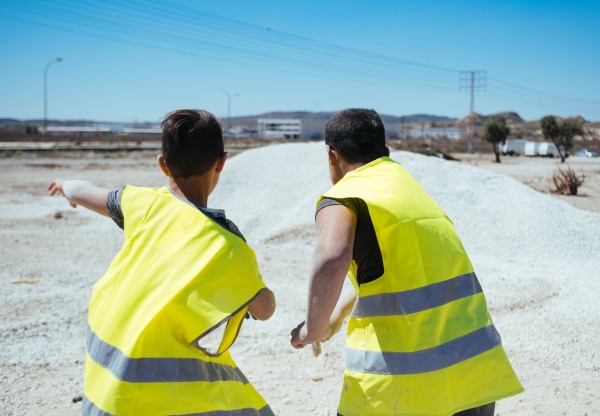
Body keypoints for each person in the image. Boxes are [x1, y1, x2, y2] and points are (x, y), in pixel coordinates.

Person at [290, 108, 523, 416]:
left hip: (401, 388)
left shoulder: (344, 196)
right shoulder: (413, 193)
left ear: (331, 155)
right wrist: (335, 316)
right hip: (471, 377)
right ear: (385, 152)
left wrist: (312, 329)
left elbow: (331, 256)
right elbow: (393, 279)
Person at [49, 109, 276, 415]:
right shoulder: (228, 243)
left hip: (104, 395)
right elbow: (263, 309)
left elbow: (85, 191)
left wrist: (65, 187)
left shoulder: (139, 202)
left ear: (162, 164)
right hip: (155, 396)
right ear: (221, 162)